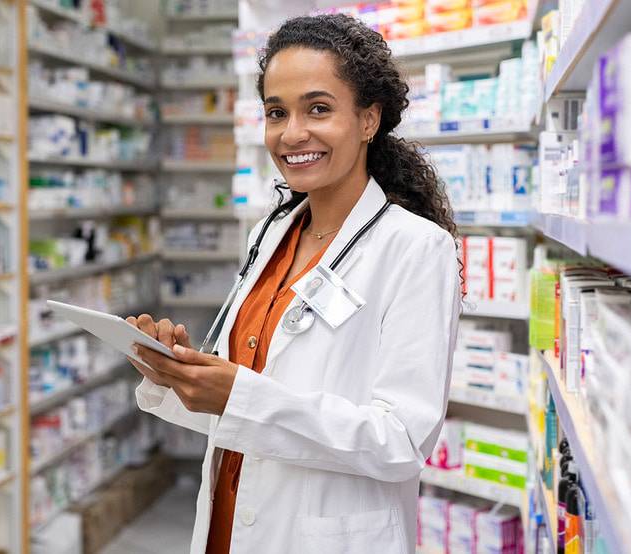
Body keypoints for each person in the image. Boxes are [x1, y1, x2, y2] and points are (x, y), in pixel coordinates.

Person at [127, 13, 461, 553]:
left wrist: (240, 396)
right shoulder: (270, 232)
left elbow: (399, 441)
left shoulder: (416, 249)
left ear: (369, 119)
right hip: (229, 523)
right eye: (276, 113)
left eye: (319, 109)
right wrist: (179, 373)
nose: (292, 133)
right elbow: (243, 397)